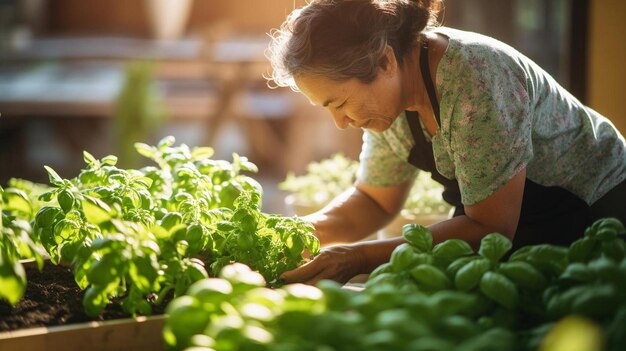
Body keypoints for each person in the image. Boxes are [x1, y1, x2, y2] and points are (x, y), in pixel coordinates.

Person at [266, 0, 626, 285]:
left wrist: (358, 257)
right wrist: (294, 234)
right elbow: (374, 200)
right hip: (510, 223)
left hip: (595, 212)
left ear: (384, 61)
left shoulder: (476, 76)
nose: (341, 123)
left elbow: (491, 227)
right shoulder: (387, 102)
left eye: (340, 103)